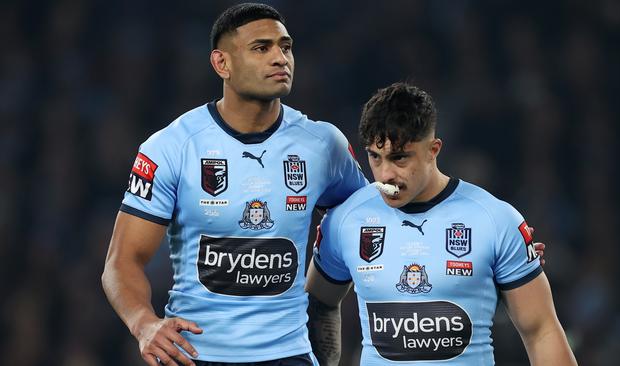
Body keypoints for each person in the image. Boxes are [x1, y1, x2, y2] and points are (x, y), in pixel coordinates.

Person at [101, 3, 368, 365]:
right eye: (262, 48)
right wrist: (144, 323)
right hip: (193, 354)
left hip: (288, 355)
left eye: (286, 47)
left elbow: (368, 220)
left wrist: (328, 288)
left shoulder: (323, 145)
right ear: (221, 63)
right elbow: (122, 261)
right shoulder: (172, 146)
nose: (280, 58)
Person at [305, 82, 576, 365]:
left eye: (399, 158)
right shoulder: (346, 220)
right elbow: (315, 305)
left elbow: (541, 332)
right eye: (375, 156)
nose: (385, 174)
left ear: (433, 150)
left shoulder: (495, 219)